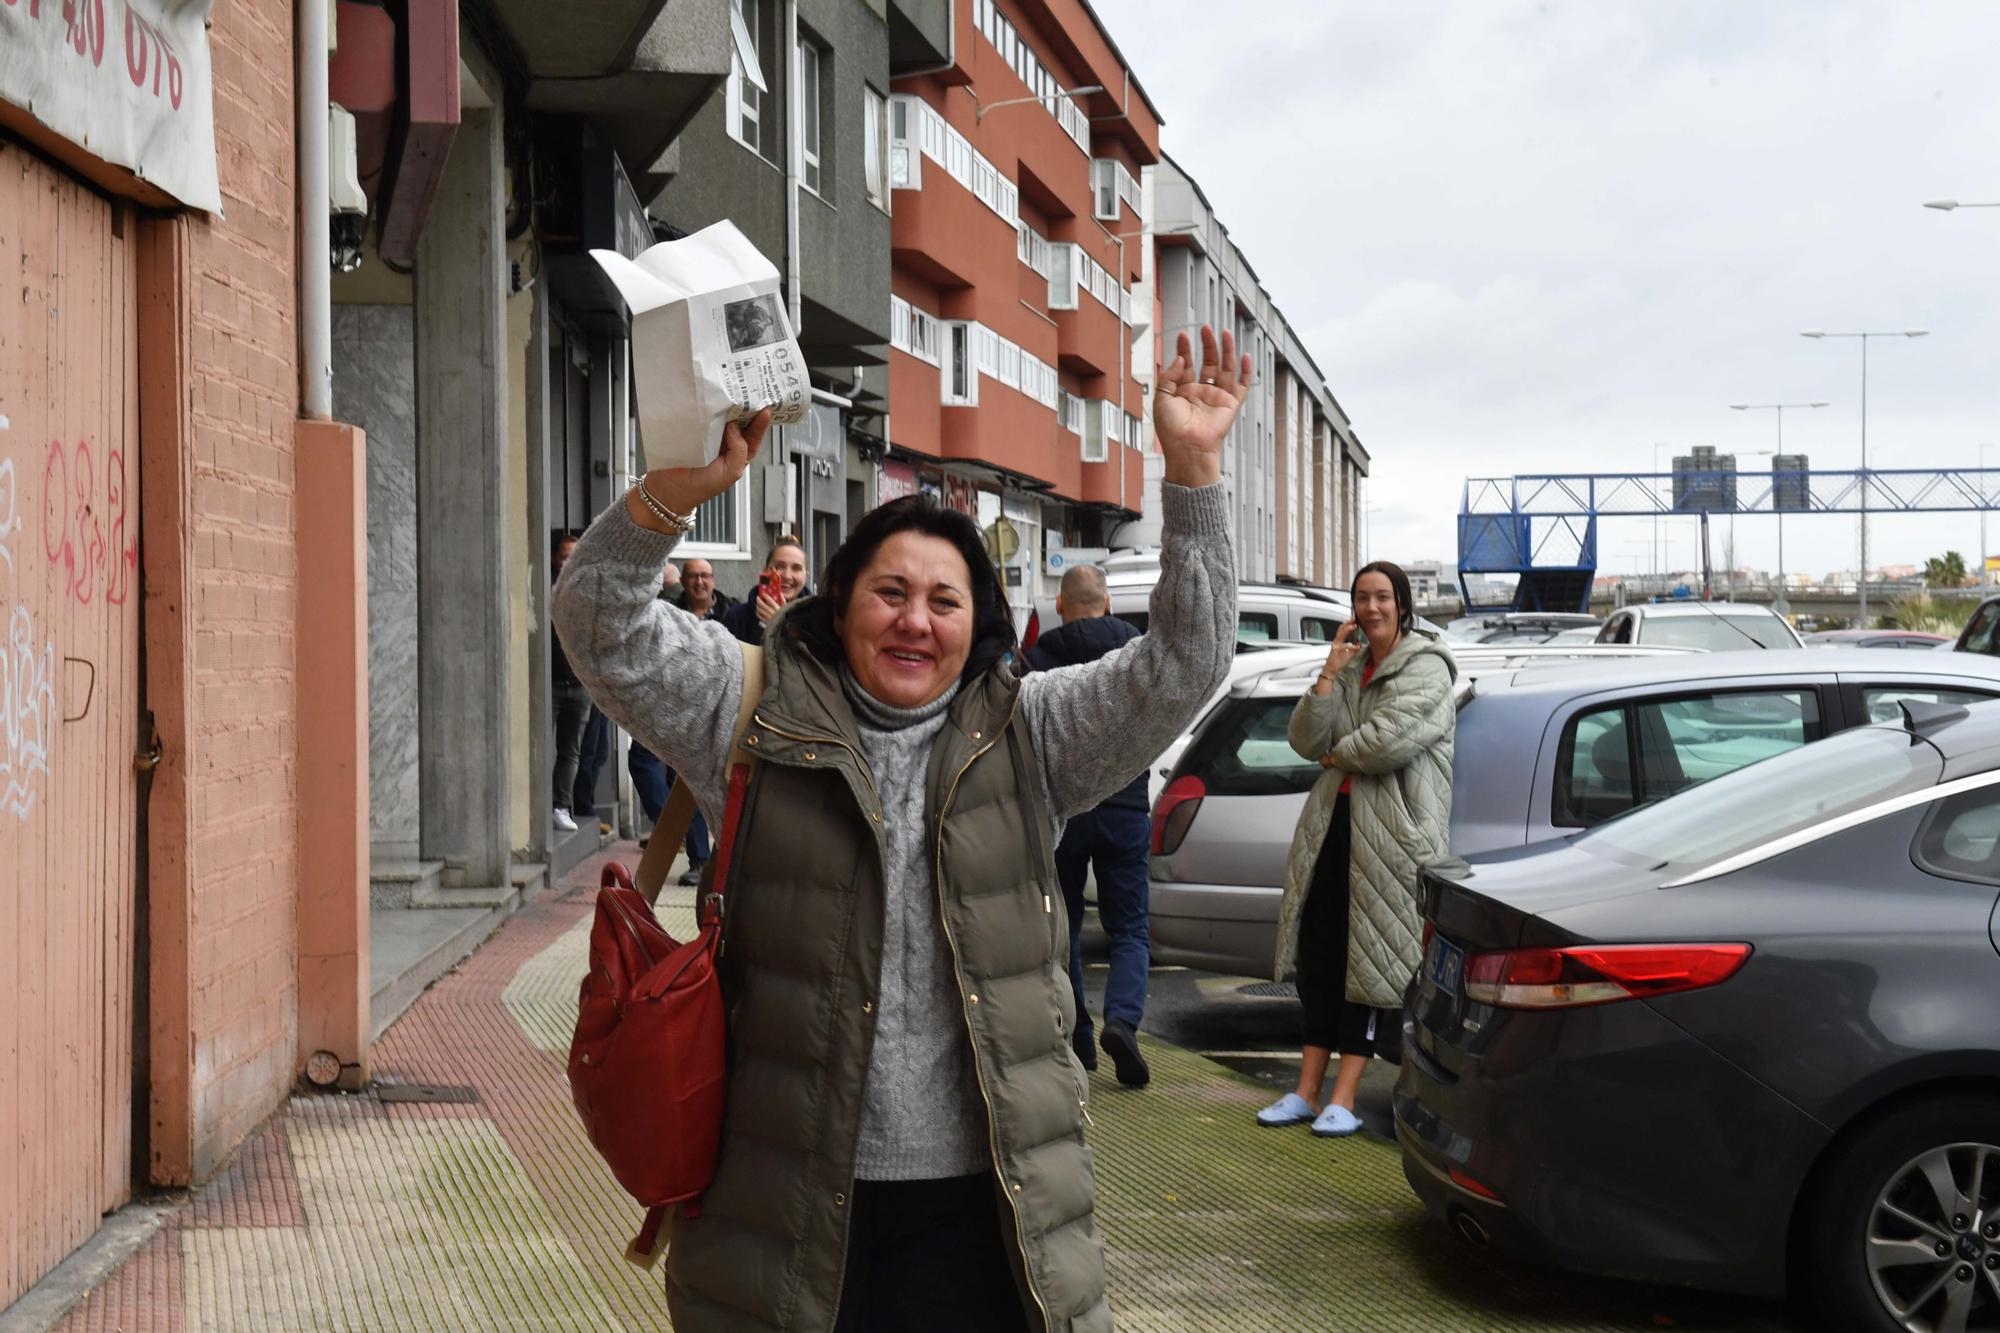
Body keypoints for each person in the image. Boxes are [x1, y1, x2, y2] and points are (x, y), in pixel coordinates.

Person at [553, 325, 1252, 1332]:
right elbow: (596, 624)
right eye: (888, 591)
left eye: (942, 599)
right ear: (840, 610)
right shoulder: (744, 709)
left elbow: (1181, 666)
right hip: (781, 1209)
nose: (913, 620)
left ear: (977, 625)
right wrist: (675, 491)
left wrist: (1189, 474)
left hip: (980, 1210)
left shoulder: (1030, 733)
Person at [1258, 560, 1457, 1139]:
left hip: (1393, 838)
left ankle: (1344, 1096)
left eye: (1383, 598)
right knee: (1321, 958)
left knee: (1366, 967)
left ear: (1402, 604)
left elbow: (1386, 743)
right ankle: (1305, 1090)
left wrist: (1333, 756)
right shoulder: (1350, 668)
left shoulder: (1426, 669)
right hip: (1333, 828)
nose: (1372, 609)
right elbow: (1303, 739)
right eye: (1362, 598)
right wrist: (1328, 673)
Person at [1022, 563, 1152, 1088]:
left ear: (1061, 603)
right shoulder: (1136, 654)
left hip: (1066, 809)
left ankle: (1078, 1036)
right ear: (1108, 603)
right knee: (1130, 927)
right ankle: (1122, 1021)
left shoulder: (1039, 657)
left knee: (1065, 923)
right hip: (1126, 806)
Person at [550, 532, 589, 833]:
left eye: (575, 556)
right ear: (554, 559)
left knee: (570, 750)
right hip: (548, 685)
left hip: (580, 686)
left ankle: (561, 807)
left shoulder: (587, 591)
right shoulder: (546, 589)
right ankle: (540, 808)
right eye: (565, 557)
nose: (570, 563)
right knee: (542, 746)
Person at [722, 533, 810, 646]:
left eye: (796, 568)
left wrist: (780, 625)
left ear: (806, 575)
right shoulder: (736, 617)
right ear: (765, 571)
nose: (787, 576)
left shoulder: (818, 620)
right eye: (779, 567)